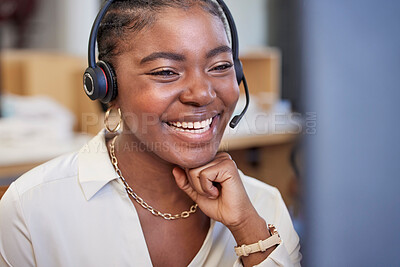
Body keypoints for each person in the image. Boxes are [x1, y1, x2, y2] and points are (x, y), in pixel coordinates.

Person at [0, 0, 301, 266]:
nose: (203, 94)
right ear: (107, 87)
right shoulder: (32, 208)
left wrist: (247, 229)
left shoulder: (263, 206)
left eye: (220, 66)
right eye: (166, 72)